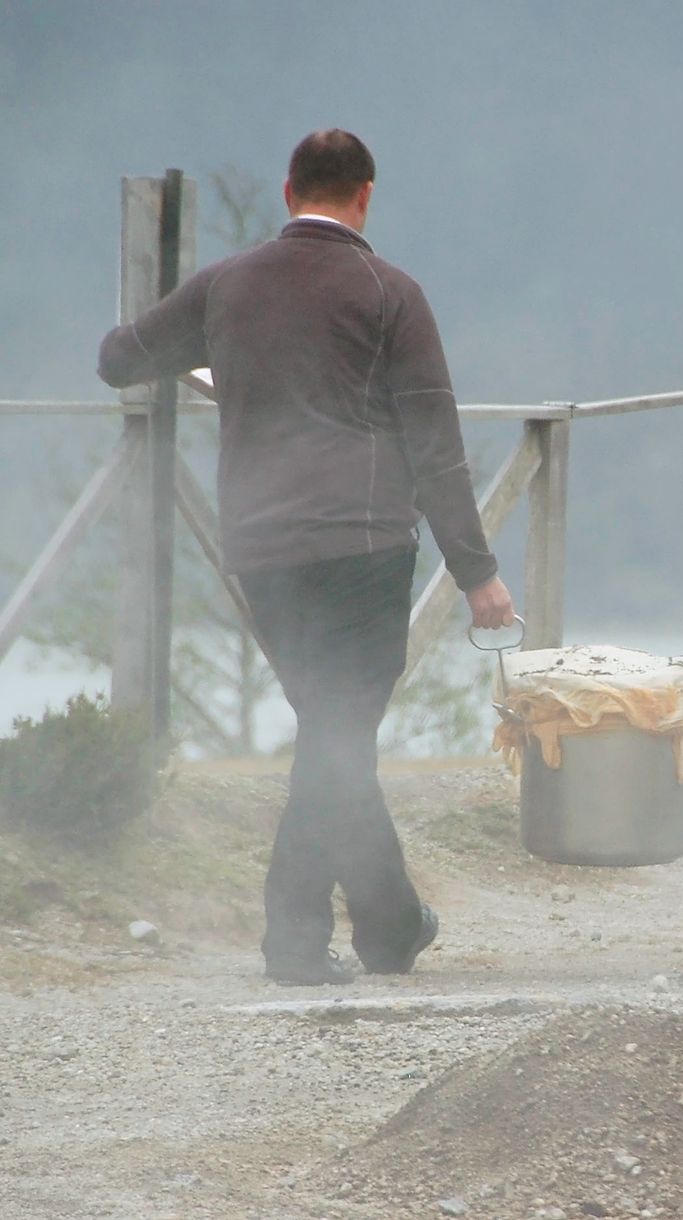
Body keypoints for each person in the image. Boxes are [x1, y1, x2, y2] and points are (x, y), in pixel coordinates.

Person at [97, 129, 515, 986]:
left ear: (290, 192)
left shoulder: (226, 286)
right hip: (362, 547)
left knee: (336, 736)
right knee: (337, 737)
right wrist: (477, 574)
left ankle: (392, 926)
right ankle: (293, 940)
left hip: (260, 551)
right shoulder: (389, 292)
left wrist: (215, 365)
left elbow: (119, 360)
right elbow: (435, 447)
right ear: (364, 196)